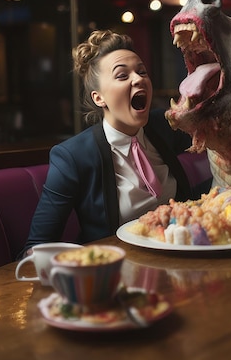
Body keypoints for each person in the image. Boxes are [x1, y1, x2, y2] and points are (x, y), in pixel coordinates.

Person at [19, 29, 209, 258]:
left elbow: (217, 133)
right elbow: (37, 245)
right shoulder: (72, 156)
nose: (139, 79)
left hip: (183, 256)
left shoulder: (162, 125)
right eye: (122, 75)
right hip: (118, 272)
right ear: (99, 97)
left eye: (142, 72)